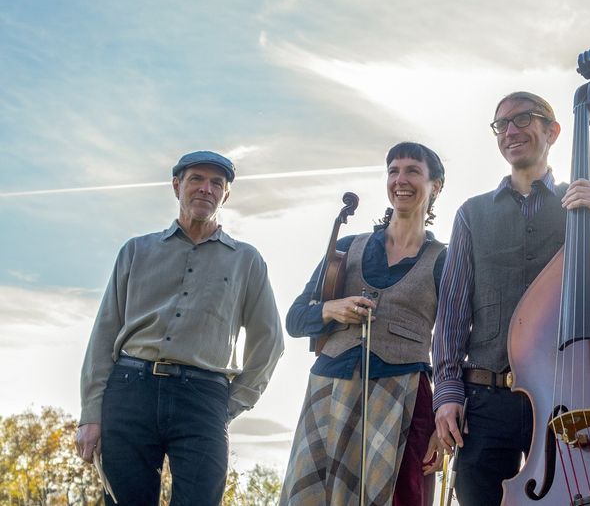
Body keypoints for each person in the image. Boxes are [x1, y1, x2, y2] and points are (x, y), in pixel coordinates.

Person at [431, 91, 590, 506]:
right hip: (486, 402)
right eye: (501, 124)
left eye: (523, 119)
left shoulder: (584, 208)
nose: (510, 131)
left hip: (571, 400)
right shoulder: (471, 214)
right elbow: (452, 315)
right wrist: (448, 393)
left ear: (553, 131)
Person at [76, 150, 285, 505]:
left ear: (226, 195)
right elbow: (104, 335)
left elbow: (270, 342)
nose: (206, 189)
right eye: (196, 179)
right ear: (177, 186)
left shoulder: (246, 261)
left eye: (216, 183)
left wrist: (230, 404)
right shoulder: (136, 251)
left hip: (203, 398)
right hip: (129, 391)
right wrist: (91, 414)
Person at [281, 142, 448, 506]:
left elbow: (454, 341)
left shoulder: (444, 259)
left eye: (413, 171)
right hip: (331, 388)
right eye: (393, 171)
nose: (401, 179)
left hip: (404, 394)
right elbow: (295, 319)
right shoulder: (346, 247)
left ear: (435, 186)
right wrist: (331, 309)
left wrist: (443, 414)